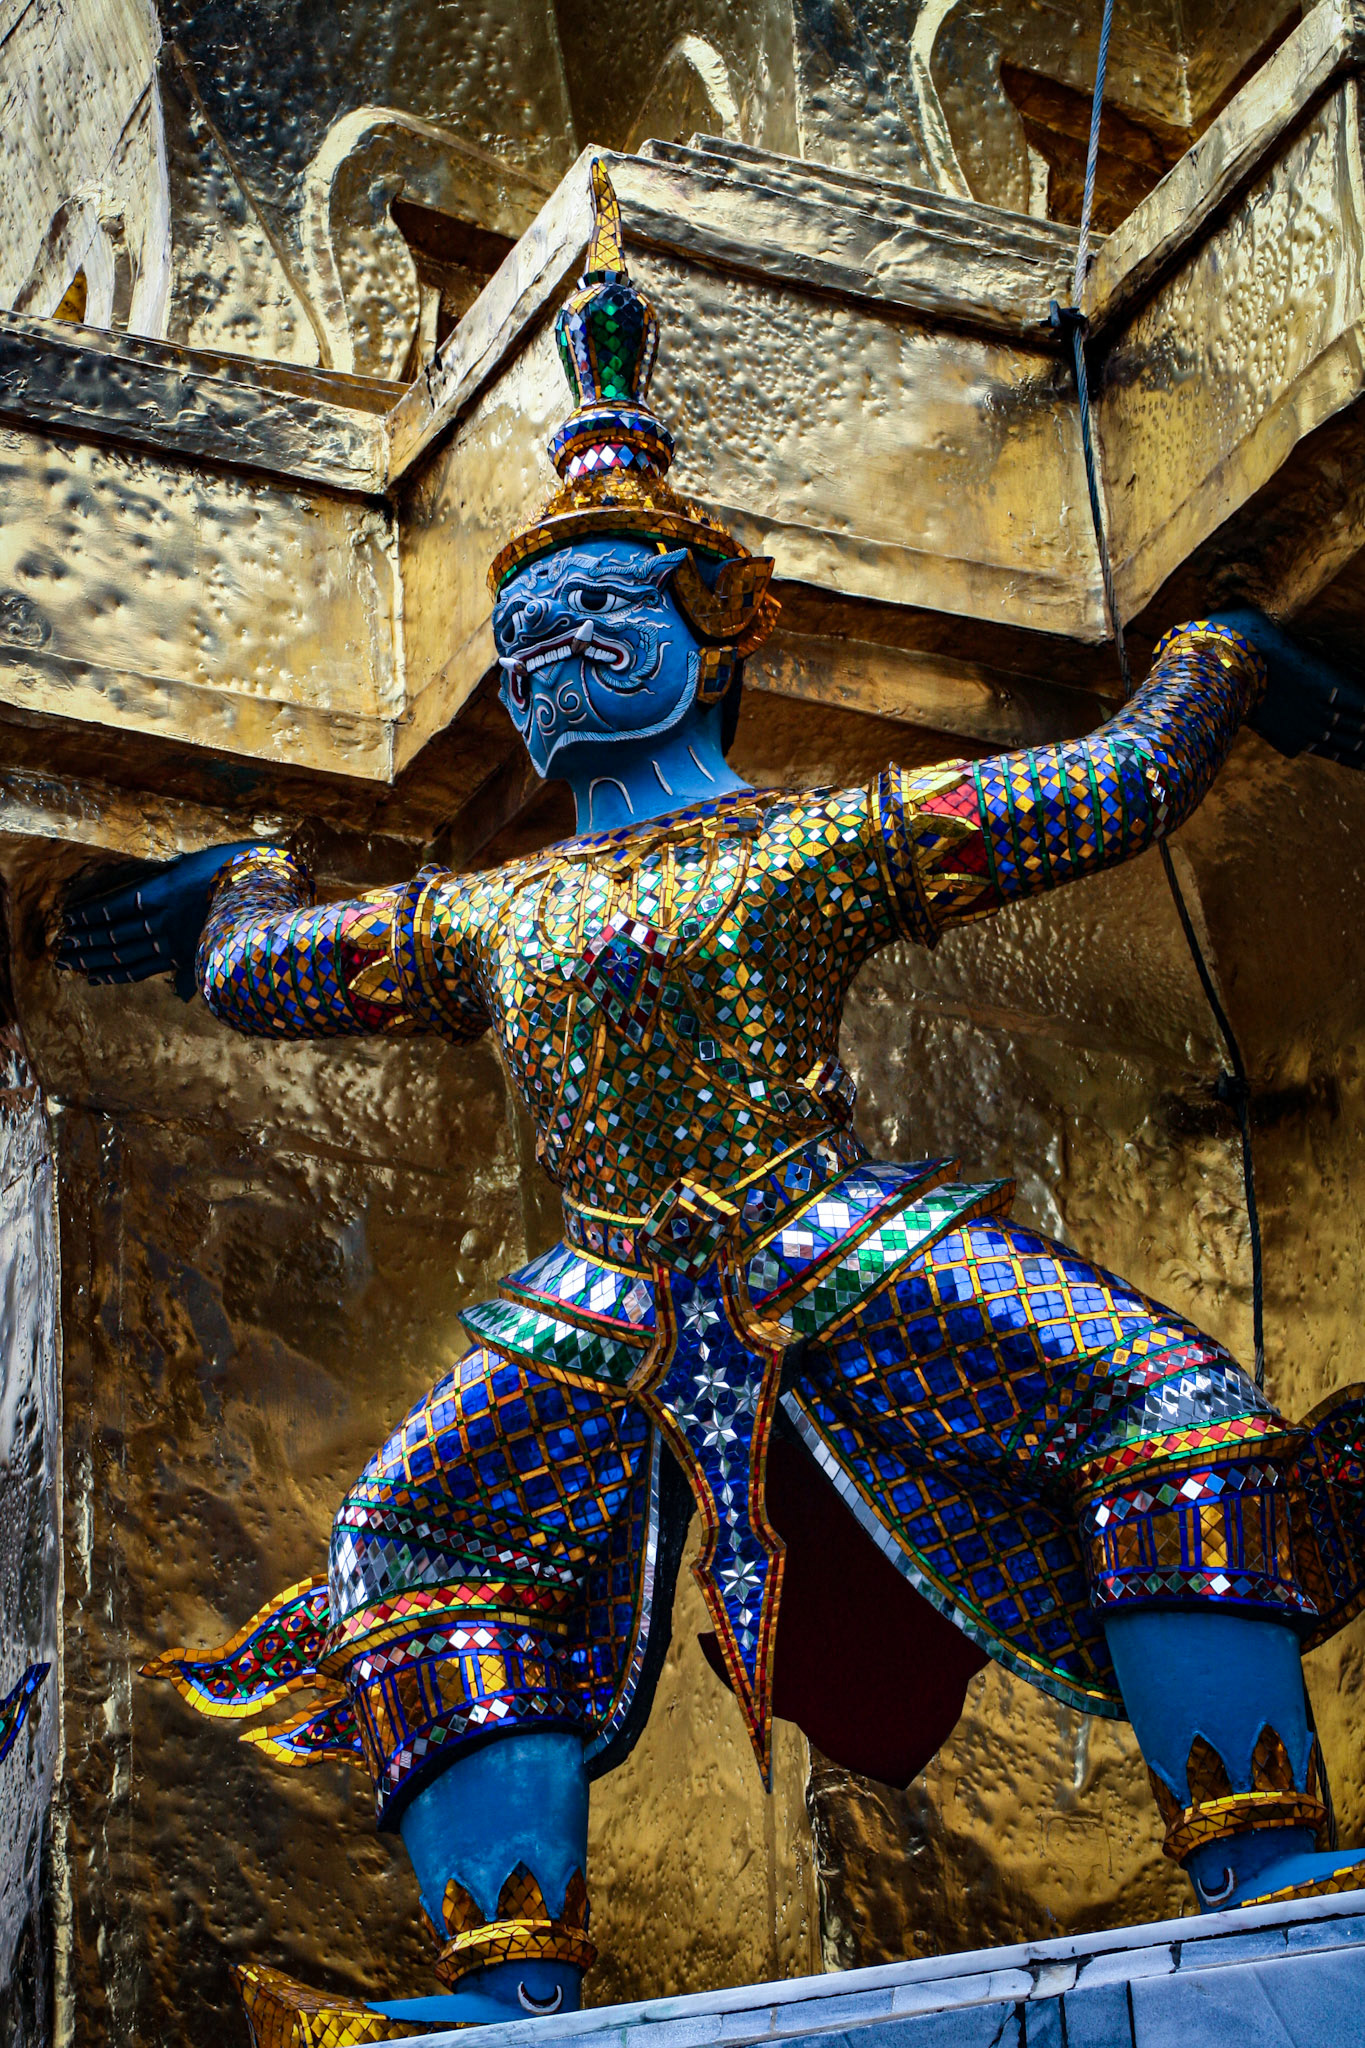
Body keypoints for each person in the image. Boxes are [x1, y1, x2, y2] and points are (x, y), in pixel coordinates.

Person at [59, 162, 1365, 2038]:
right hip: (596, 1294)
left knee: (1170, 1411)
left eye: (596, 604)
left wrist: (1216, 662)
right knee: (405, 1546)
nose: (549, 645)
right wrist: (239, 879)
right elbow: (271, 980)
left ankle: (1254, 1848)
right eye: (528, 630)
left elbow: (1112, 790)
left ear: (710, 628)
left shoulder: (818, 844)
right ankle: (504, 1974)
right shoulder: (483, 913)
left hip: (827, 1234)